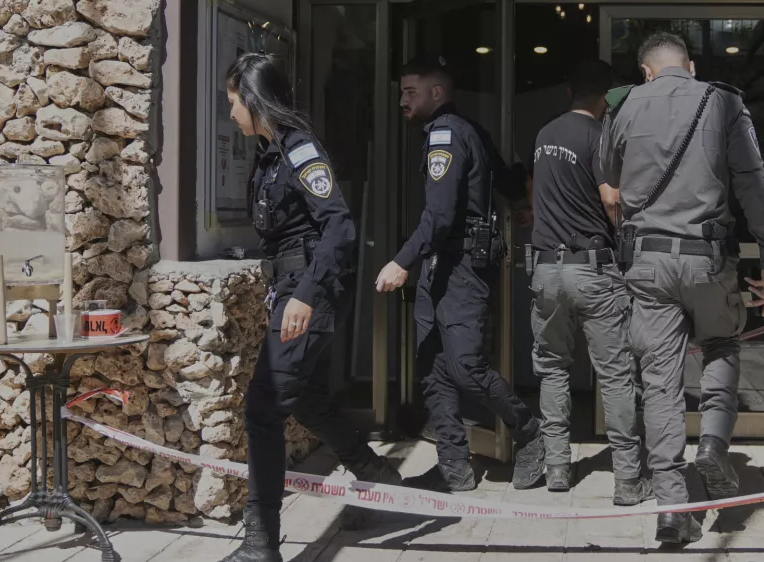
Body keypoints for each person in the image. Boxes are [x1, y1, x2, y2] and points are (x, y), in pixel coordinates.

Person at [600, 32, 764, 543]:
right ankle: (712, 445)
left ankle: (671, 510)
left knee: (659, 380)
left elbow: (609, 180)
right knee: (722, 342)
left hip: (647, 263)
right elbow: (754, 181)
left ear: (646, 71)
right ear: (691, 64)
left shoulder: (623, 106)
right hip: (708, 259)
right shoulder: (723, 100)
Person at [220, 53, 402, 562]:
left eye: (234, 102)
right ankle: (377, 474)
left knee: (263, 410)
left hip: (308, 293)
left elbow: (339, 227)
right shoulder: (268, 152)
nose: (230, 113)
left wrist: (304, 295)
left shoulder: (299, 149)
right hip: (293, 290)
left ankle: (261, 545)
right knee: (307, 401)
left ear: (255, 101)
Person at [376, 56, 545, 492]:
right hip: (442, 265)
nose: (402, 101)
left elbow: (441, 215)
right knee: (431, 367)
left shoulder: (447, 134)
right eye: (400, 92)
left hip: (463, 265)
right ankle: (453, 467)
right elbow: (503, 174)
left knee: (466, 367)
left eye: (410, 92)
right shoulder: (466, 130)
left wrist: (400, 262)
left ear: (437, 92)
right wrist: (518, 199)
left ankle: (531, 434)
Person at [526, 59, 647, 505]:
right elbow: (610, 199)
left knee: (553, 368)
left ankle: (558, 468)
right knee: (614, 375)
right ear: (606, 96)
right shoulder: (599, 136)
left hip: (545, 269)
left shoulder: (544, 135)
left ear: (570, 92)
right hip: (593, 267)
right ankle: (628, 480)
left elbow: (534, 193)